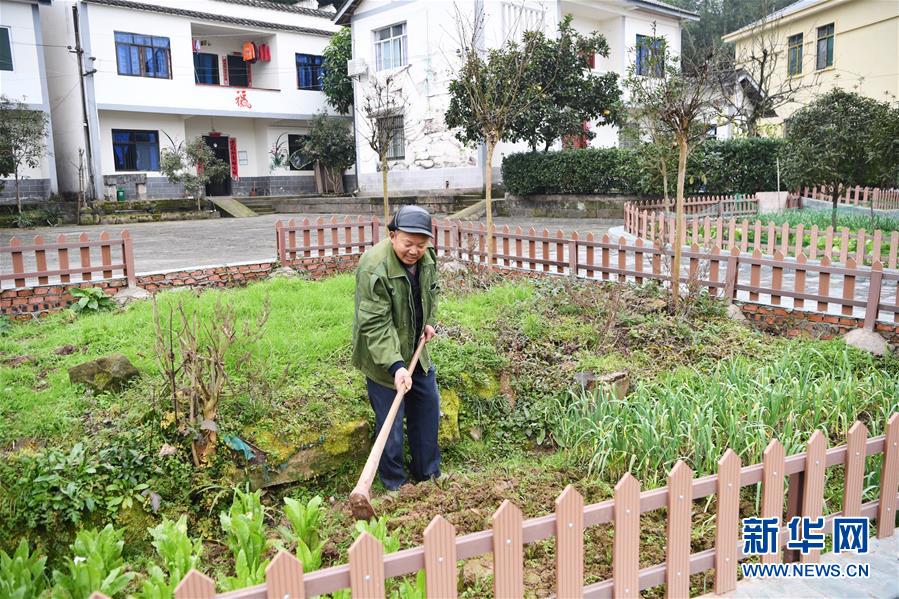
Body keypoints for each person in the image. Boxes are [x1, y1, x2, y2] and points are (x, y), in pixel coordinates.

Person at [351, 205, 441, 491]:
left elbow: (431, 292)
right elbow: (376, 324)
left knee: (427, 409)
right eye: (408, 243)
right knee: (390, 427)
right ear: (392, 236)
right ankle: (395, 485)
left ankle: (427, 476)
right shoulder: (373, 267)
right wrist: (396, 366)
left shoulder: (428, 259)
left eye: (421, 244)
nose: (414, 251)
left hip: (416, 349)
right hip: (382, 358)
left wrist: (428, 322)